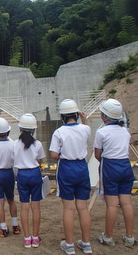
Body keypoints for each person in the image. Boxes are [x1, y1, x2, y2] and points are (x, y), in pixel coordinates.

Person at [49, 99, 92, 255]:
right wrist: (84, 118)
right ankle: (86, 244)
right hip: (81, 167)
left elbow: (54, 154)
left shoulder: (59, 132)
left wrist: (63, 153)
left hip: (66, 168)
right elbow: (86, 134)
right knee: (83, 207)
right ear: (76, 114)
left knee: (68, 208)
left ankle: (69, 245)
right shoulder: (85, 129)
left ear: (62, 116)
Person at [94, 99, 136, 248]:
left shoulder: (101, 132)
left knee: (112, 205)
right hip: (125, 166)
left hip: (110, 167)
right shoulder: (125, 131)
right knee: (126, 202)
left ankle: (108, 236)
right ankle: (130, 237)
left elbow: (97, 155)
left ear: (105, 116)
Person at [14, 114, 45, 248]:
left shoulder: (15, 144)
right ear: (33, 129)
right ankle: (35, 237)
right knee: (36, 207)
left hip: (22, 175)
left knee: (24, 207)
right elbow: (39, 161)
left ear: (20, 128)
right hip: (34, 173)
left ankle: (27, 238)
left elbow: (13, 159)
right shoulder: (37, 144)